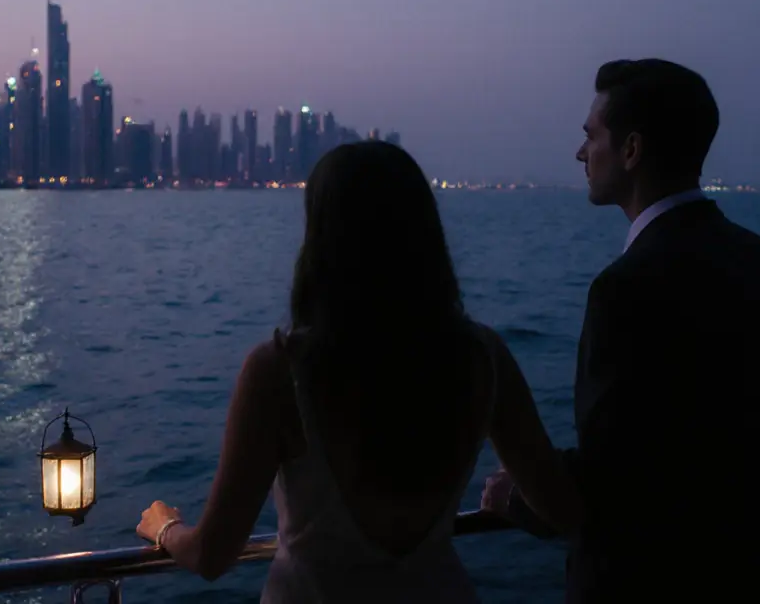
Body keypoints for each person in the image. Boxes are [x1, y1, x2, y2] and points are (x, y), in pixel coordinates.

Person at [137, 140, 581, 602]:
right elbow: (561, 507)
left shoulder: (279, 371)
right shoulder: (482, 357)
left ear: (320, 238)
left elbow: (212, 554)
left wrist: (164, 527)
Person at [481, 59, 760, 602]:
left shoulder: (626, 291)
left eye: (591, 136)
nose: (580, 152)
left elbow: (611, 491)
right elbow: (699, 451)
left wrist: (516, 497)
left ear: (632, 150)